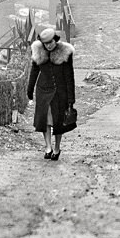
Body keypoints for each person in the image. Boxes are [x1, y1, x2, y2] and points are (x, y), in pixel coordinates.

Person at [26, 26, 76, 160]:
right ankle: (48, 147)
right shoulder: (38, 51)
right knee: (45, 121)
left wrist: (71, 99)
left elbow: (69, 76)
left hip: (60, 92)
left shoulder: (65, 52)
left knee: (58, 122)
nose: (48, 46)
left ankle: (57, 148)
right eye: (45, 43)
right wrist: (29, 90)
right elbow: (34, 71)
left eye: (50, 42)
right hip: (43, 90)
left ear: (55, 40)